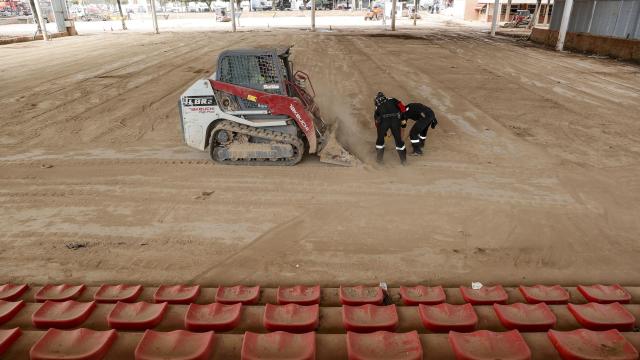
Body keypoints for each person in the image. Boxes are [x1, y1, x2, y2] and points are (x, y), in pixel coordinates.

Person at [374, 92, 408, 165]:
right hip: (395, 120)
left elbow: (377, 121)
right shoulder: (393, 100)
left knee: (380, 140)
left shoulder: (378, 106)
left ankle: (379, 161)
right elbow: (403, 108)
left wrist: (382, 133)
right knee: (398, 140)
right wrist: (403, 118)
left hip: (384, 122)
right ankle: (404, 161)